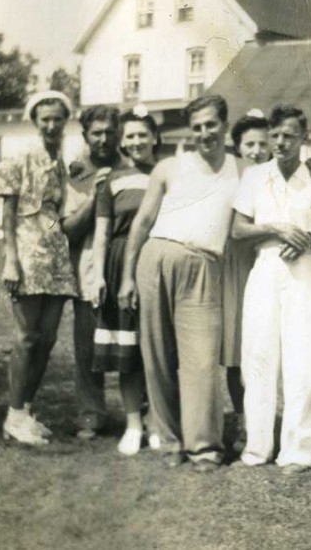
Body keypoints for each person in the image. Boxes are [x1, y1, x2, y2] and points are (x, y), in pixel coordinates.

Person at [118, 94, 239, 472]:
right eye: (198, 126)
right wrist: (127, 277)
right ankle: (169, 440)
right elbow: (141, 223)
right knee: (157, 356)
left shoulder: (243, 169)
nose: (205, 133)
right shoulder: (169, 167)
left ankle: (204, 446)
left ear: (224, 125)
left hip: (204, 265)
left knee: (202, 360)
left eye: (211, 125)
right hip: (155, 258)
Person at [232, 103, 311, 474]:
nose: (281, 142)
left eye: (290, 136)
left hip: (305, 269)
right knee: (258, 356)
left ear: (304, 139)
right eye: (276, 136)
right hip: (266, 266)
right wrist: (277, 228)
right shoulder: (255, 177)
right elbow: (238, 230)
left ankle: (299, 451)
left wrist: (310, 238)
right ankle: (257, 448)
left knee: (302, 360)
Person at [0, 91, 79, 445]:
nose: (51, 125)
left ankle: (26, 411)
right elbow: (7, 214)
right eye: (44, 119)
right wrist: (10, 258)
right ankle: (13, 416)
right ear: (35, 121)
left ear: (65, 121)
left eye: (57, 119)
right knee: (28, 337)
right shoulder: (18, 156)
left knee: (47, 339)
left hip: (56, 253)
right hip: (27, 252)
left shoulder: (61, 160)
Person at [89, 104, 160, 456]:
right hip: (120, 266)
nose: (136, 141)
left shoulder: (167, 173)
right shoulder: (111, 179)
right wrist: (100, 275)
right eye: (129, 135)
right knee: (127, 350)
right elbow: (101, 233)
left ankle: (156, 421)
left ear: (154, 137)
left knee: (157, 347)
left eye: (142, 135)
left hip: (158, 262)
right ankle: (133, 423)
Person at [60, 105, 117, 442]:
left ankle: (141, 412)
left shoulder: (129, 169)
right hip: (88, 269)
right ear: (85, 136)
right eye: (96, 132)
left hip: (124, 264)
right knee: (88, 346)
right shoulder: (76, 175)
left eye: (110, 132)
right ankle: (91, 414)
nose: (104, 138)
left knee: (132, 341)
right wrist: (94, 196)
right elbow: (67, 228)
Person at [222, 109, 271, 454]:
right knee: (237, 349)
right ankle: (242, 419)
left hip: (269, 264)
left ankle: (265, 420)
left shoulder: (276, 173)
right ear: (237, 147)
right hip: (236, 266)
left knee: (267, 349)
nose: (256, 150)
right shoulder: (231, 176)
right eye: (249, 144)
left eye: (262, 144)